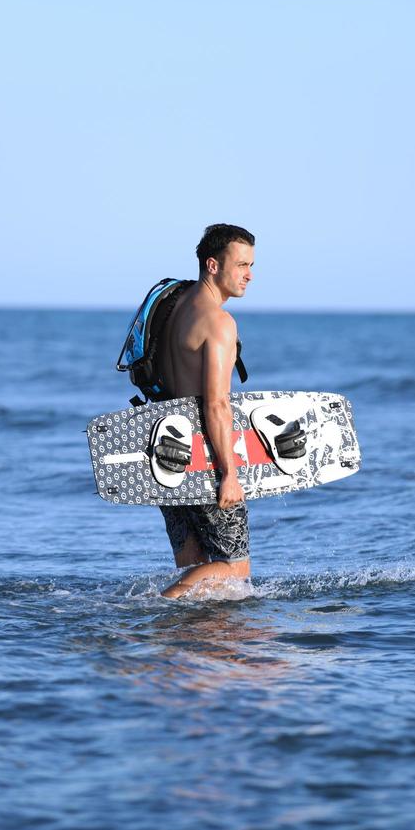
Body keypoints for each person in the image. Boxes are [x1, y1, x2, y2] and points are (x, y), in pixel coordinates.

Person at [158, 223, 255, 599]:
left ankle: (188, 650)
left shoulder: (177, 305)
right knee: (234, 570)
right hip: (203, 455)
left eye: (252, 265)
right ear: (213, 265)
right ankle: (161, 606)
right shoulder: (218, 321)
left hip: (167, 450)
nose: (249, 274)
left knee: (194, 565)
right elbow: (215, 402)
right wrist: (229, 472)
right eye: (241, 264)